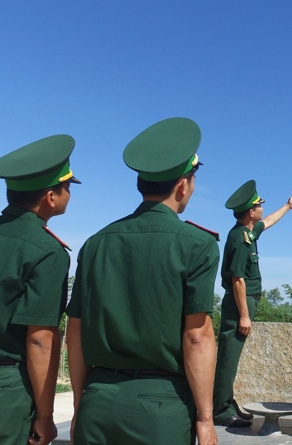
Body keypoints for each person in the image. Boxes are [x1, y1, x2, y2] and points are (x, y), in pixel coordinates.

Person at [66, 118, 219, 445]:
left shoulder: (95, 243)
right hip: (160, 408)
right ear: (183, 186)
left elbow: (74, 334)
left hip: (98, 399)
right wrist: (206, 418)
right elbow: (197, 336)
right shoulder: (197, 244)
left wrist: (81, 405)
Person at [0, 134, 79, 445]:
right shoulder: (46, 251)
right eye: (67, 186)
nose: (69, 193)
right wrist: (45, 415)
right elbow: (40, 340)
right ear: (50, 196)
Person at [212, 180, 292, 427]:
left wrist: (288, 206)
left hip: (245, 301)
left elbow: (268, 222)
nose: (262, 208)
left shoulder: (248, 232)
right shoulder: (240, 239)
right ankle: (221, 410)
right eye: (259, 205)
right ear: (251, 212)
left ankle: (227, 403)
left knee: (232, 356)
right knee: (229, 357)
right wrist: (244, 315)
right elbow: (238, 279)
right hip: (239, 303)